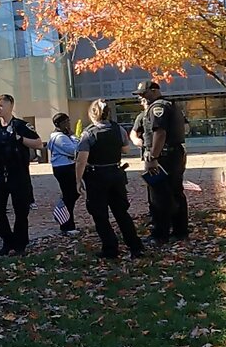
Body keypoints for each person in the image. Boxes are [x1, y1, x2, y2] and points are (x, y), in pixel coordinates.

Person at [75, 99, 145, 259]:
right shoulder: (118, 129)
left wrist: (78, 180)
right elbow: (126, 149)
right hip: (116, 173)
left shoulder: (89, 133)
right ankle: (135, 246)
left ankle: (110, 248)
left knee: (100, 215)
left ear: (92, 114)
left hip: (96, 176)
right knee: (121, 213)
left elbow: (81, 159)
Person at [0, 94, 44, 256]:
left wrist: (19, 138)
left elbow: (38, 143)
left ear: (11, 106)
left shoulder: (21, 126)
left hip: (18, 173)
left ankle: (20, 244)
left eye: (1, 105)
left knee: (21, 210)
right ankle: (7, 241)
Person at [135, 81, 190, 244]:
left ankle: (160, 235)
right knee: (175, 192)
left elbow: (160, 134)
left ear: (154, 91)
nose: (141, 97)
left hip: (164, 157)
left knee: (159, 197)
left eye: (144, 93)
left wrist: (153, 157)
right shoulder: (171, 105)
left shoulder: (157, 108)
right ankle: (180, 231)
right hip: (174, 154)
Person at [47, 113, 81, 236]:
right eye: (66, 121)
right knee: (69, 196)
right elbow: (76, 150)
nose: (68, 123)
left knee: (72, 194)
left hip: (65, 167)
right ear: (59, 124)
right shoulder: (59, 138)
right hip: (64, 168)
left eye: (68, 120)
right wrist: (73, 136)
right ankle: (66, 224)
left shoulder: (61, 136)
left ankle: (66, 221)